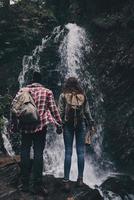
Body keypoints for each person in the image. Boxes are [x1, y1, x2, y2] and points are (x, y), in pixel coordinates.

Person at [10, 71, 62, 195]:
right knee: (38, 153)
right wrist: (59, 124)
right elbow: (54, 109)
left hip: (25, 127)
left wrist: (14, 126)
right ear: (41, 80)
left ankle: (25, 184)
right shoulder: (47, 92)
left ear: (32, 80)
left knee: (25, 153)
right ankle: (37, 184)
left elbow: (13, 108)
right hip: (40, 127)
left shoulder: (23, 91)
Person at [58, 77, 95, 191]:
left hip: (68, 125)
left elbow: (60, 112)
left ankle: (66, 181)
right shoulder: (82, 95)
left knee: (68, 152)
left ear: (67, 84)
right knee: (80, 152)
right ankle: (80, 179)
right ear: (77, 84)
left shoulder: (63, 95)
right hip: (81, 125)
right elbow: (87, 112)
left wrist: (59, 126)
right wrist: (91, 123)